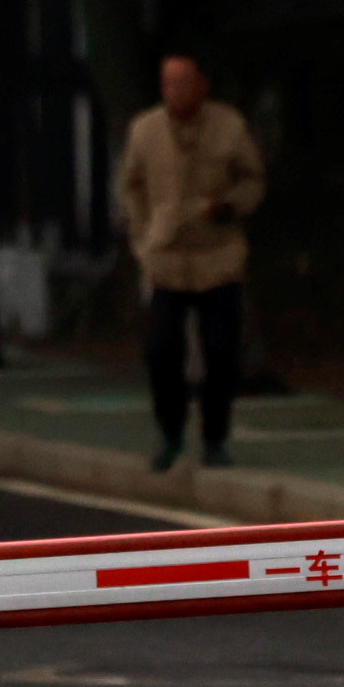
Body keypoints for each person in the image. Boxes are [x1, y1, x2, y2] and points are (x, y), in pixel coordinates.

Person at [115, 50, 265, 471]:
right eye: (168, 83)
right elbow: (130, 186)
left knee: (221, 354)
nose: (175, 91)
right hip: (165, 260)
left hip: (219, 258)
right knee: (162, 352)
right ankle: (170, 434)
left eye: (183, 82)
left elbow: (253, 179)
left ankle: (215, 438)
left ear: (202, 84)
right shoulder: (145, 131)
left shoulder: (229, 127)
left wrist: (232, 205)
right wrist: (143, 233)